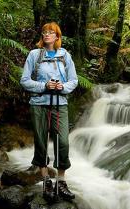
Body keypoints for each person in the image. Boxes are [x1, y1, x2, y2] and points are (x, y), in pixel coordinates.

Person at [20, 22, 78, 201]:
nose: (47, 35)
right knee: (41, 141)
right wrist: (44, 85)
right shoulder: (34, 55)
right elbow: (25, 80)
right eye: (45, 32)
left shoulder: (64, 55)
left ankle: (61, 181)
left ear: (57, 36)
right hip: (39, 104)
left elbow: (73, 80)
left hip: (59, 103)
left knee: (63, 142)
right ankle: (46, 180)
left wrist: (62, 87)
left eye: (51, 32)